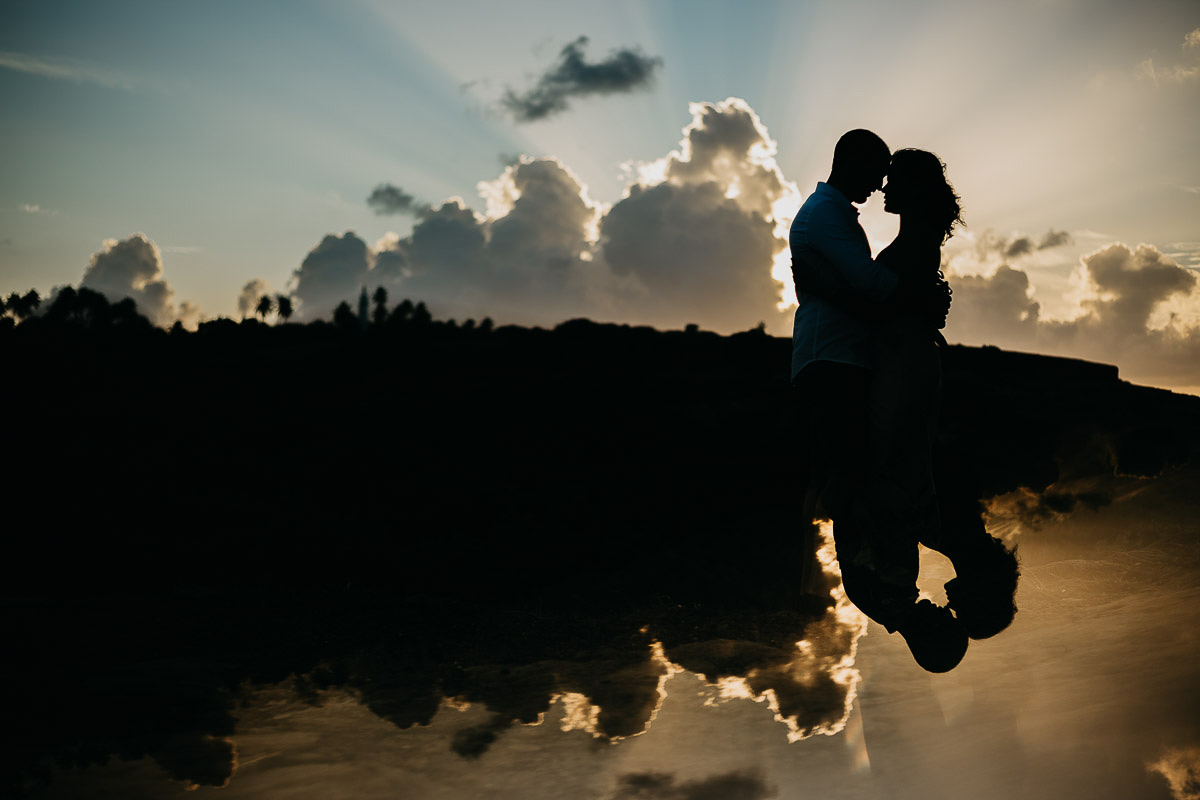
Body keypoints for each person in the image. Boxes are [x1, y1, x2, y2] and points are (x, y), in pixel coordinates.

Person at [791, 136, 966, 672]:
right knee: (891, 458)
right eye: (879, 173)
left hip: (894, 360)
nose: (882, 186)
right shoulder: (896, 232)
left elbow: (877, 291)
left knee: (881, 457)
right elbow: (882, 294)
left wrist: (819, 288)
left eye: (893, 179)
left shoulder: (885, 593)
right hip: (892, 359)